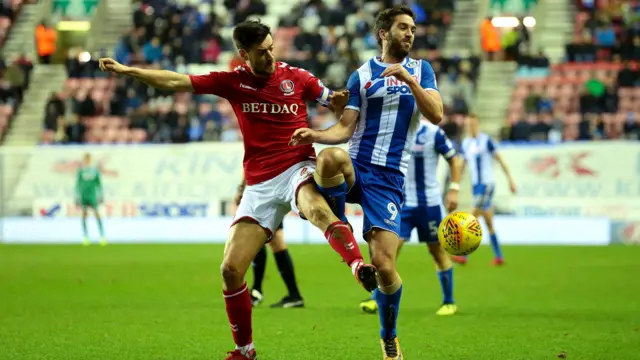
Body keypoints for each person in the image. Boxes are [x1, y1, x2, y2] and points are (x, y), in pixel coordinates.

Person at [99, 20, 378, 360]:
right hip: (258, 185)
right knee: (230, 270)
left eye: (272, 47)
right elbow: (175, 81)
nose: (271, 56)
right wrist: (129, 70)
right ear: (244, 54)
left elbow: (331, 103)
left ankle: (357, 266)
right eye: (262, 52)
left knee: (317, 209)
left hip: (296, 167)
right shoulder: (232, 82)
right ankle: (245, 351)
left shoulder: (297, 77)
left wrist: (336, 101)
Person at [289, 6, 443, 360]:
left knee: (386, 266)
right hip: (358, 165)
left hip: (388, 179)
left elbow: (436, 114)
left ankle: (389, 337)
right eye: (403, 28)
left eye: (413, 28)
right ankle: (339, 227)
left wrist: (409, 81)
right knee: (329, 158)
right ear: (384, 33)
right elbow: (345, 129)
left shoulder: (422, 70)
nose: (410, 34)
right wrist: (313, 133)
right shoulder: (362, 75)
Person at [359, 119, 462, 316]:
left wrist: (454, 189)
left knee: (437, 251)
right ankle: (377, 298)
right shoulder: (394, 128)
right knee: (389, 251)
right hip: (402, 204)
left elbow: (453, 160)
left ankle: (449, 301)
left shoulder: (433, 133)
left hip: (429, 204)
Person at [451, 114, 517, 266]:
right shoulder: (466, 144)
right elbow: (461, 166)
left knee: (470, 216)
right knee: (488, 222)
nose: (470, 127)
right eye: (468, 125)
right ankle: (499, 256)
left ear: (477, 125)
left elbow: (500, 160)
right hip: (476, 186)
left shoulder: (486, 141)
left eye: (473, 124)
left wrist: (510, 181)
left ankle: (463, 254)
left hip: (486, 185)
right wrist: (456, 185)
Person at [234, 175, 304, 309]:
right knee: (275, 241)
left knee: (259, 235)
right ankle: (292, 295)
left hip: (264, 190)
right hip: (277, 187)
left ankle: (258, 291)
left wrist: (241, 188)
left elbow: (249, 160)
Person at [75, 153, 106, 245]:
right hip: (84, 195)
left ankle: (102, 236)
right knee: (84, 215)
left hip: (92, 195)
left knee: (97, 214)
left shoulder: (95, 171)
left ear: (91, 160)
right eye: (86, 159)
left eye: (88, 159)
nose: (87, 161)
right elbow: (78, 185)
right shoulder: (80, 171)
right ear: (84, 160)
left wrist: (100, 196)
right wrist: (77, 197)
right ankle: (85, 236)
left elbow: (99, 184)